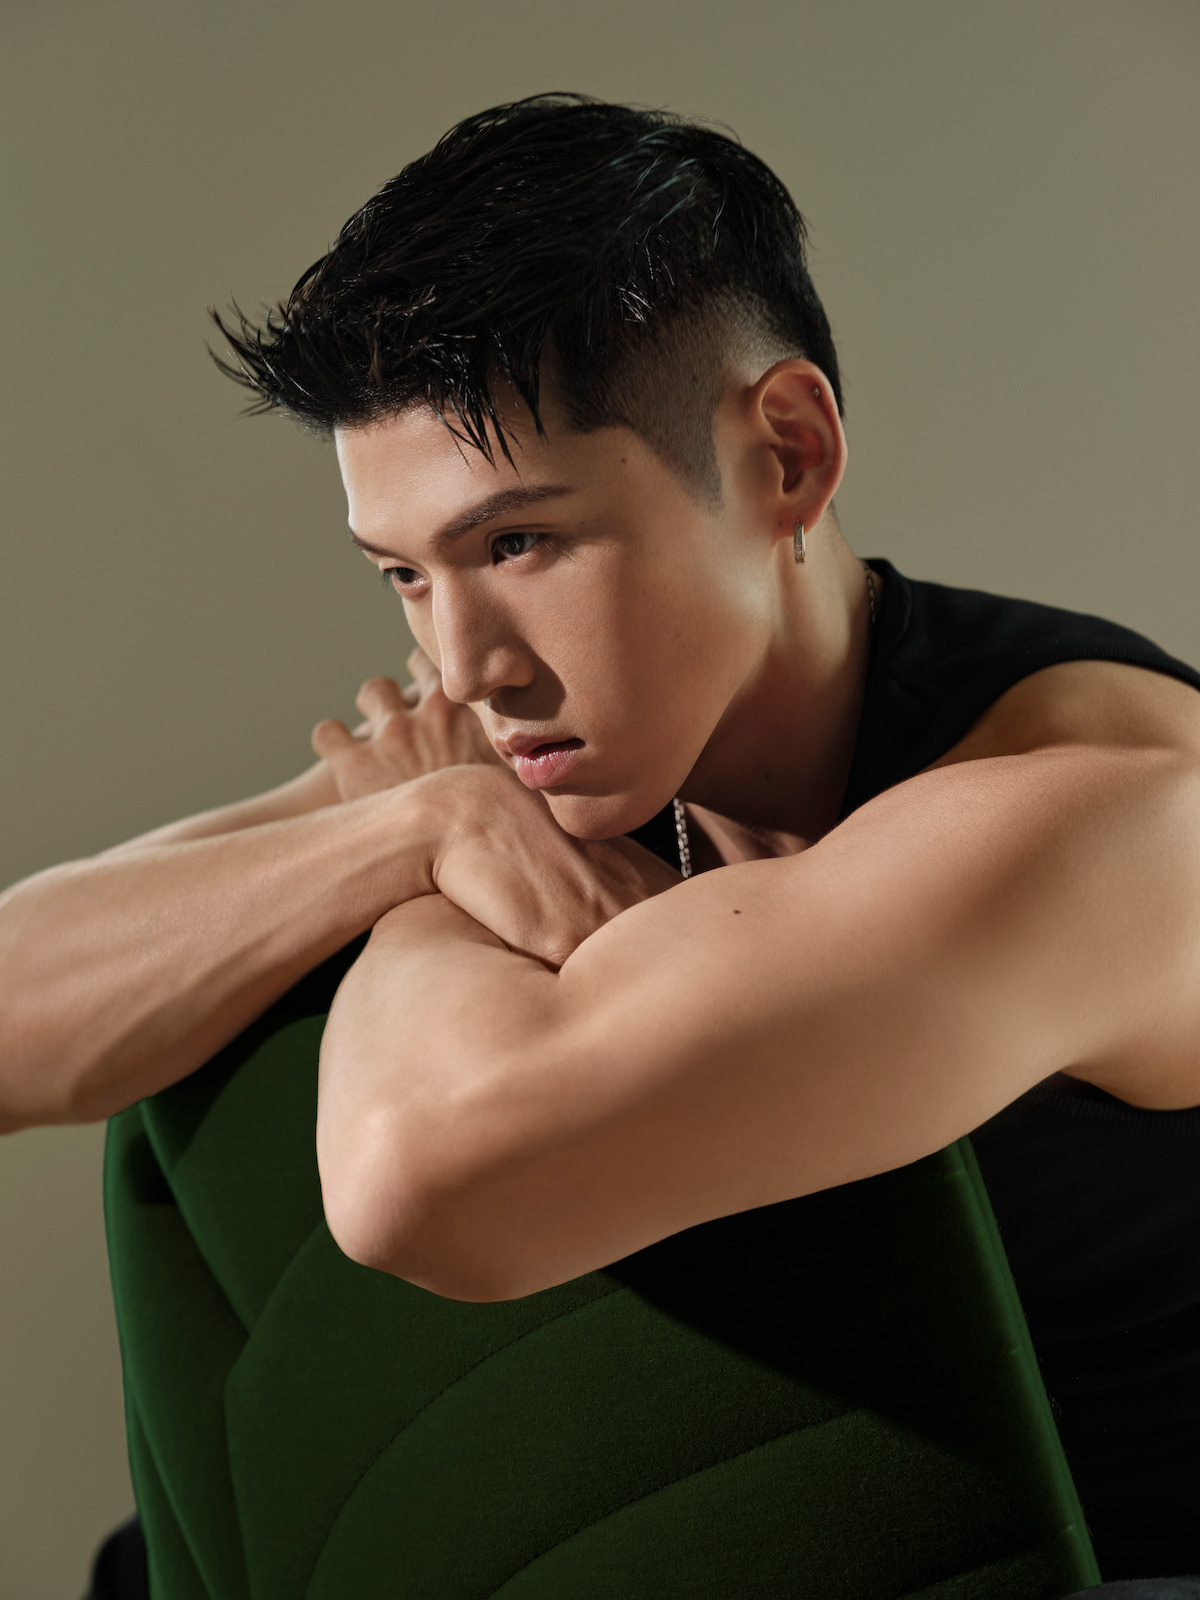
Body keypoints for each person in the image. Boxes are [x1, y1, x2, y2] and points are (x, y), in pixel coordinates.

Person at [3, 95, 1197, 1597]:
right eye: (405, 576)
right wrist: (419, 825)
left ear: (790, 454)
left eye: (520, 544)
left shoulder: (1111, 810)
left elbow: (421, 1177)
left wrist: (438, 847)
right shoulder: (525, 736)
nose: (471, 661)